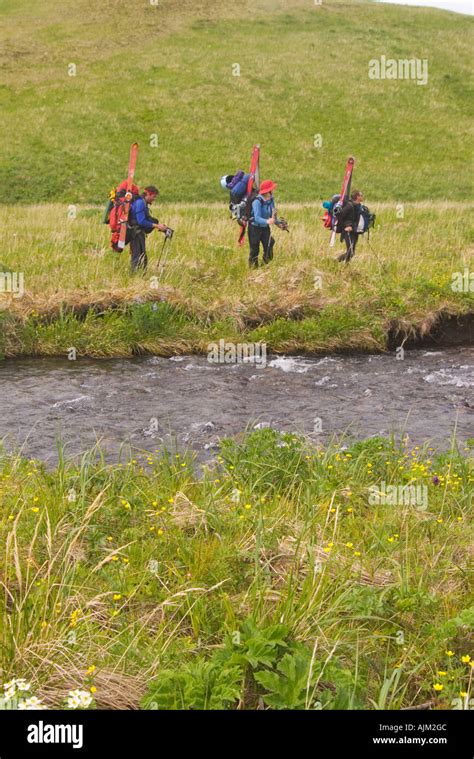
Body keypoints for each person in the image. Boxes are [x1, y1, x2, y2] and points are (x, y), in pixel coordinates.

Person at [127, 186, 169, 271]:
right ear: (148, 194)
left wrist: (159, 226)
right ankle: (135, 278)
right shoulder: (140, 203)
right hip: (135, 234)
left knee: (142, 257)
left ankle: (140, 277)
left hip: (138, 233)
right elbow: (141, 221)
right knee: (137, 257)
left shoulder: (143, 203)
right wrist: (157, 226)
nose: (154, 199)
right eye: (154, 196)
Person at [248, 179, 286, 268]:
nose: (273, 190)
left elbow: (273, 217)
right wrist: (267, 221)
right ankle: (253, 270)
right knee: (254, 250)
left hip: (265, 228)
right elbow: (257, 218)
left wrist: (279, 224)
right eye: (272, 189)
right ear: (268, 191)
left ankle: (264, 266)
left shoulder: (271, 200)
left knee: (270, 244)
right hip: (254, 228)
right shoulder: (257, 202)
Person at [337, 190, 364, 263]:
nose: (362, 196)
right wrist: (346, 226)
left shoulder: (359, 206)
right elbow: (340, 215)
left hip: (355, 231)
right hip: (348, 231)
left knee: (352, 252)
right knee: (350, 251)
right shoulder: (349, 205)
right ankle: (336, 261)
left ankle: (346, 266)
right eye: (361, 195)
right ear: (357, 197)